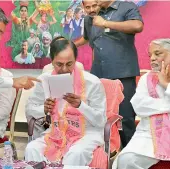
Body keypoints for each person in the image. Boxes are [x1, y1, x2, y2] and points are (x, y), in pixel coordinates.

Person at [25, 36, 106, 165]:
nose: (64, 69)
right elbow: (30, 109)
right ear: (52, 61)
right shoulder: (44, 80)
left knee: (75, 153)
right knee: (32, 148)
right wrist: (44, 109)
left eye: (69, 64)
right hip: (57, 131)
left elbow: (100, 121)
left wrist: (80, 105)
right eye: (59, 64)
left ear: (75, 60)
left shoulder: (92, 82)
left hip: (87, 133)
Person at [75, 0, 144, 147]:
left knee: (126, 118)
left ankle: (128, 156)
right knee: (99, 116)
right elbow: (87, 39)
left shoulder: (126, 7)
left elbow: (137, 26)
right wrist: (69, 45)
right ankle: (105, 153)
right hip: (98, 75)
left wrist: (106, 23)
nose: (94, 4)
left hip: (123, 72)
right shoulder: (91, 17)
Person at [112, 39, 170, 169]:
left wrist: (166, 85)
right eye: (150, 56)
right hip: (149, 135)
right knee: (126, 160)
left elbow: (146, 105)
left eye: (158, 53)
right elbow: (139, 107)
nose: (153, 59)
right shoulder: (146, 79)